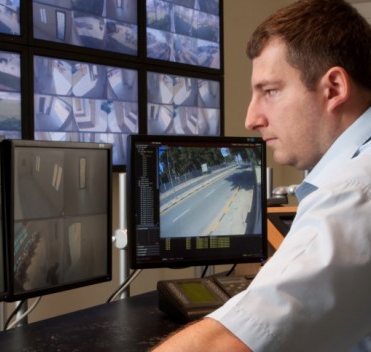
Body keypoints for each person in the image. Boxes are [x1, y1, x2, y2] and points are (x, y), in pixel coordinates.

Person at [152, 0, 371, 351]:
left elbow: (229, 343)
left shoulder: (356, 191)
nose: (251, 119)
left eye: (269, 91)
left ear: (333, 88)